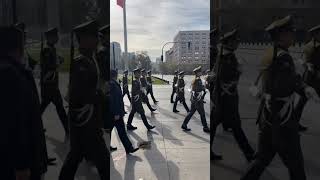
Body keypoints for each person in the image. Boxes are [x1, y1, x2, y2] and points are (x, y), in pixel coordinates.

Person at [241, 16, 319, 180]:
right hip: (282, 120)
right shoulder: (282, 57)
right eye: (290, 32)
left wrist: (304, 87)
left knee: (261, 160)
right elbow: (283, 87)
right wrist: (304, 87)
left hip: (268, 117)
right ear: (281, 35)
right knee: (296, 165)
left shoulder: (271, 52)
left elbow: (282, 81)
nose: (293, 36)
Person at [59, 20, 108, 180]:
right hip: (85, 122)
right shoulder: (81, 63)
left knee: (75, 157)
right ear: (85, 40)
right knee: (102, 161)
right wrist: (100, 96)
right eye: (94, 37)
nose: (97, 41)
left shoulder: (89, 60)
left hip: (88, 121)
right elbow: (79, 95)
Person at [0, 26, 48, 180]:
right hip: (17, 164)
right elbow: (15, 123)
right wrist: (21, 164)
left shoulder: (11, 71)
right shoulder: (9, 75)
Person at [211, 29, 255, 162]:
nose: (237, 43)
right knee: (236, 127)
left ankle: (248, 153)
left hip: (224, 99)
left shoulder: (228, 56)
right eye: (235, 41)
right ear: (229, 43)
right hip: (225, 100)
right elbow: (222, 78)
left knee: (214, 125)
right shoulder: (225, 58)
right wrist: (238, 72)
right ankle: (249, 153)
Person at [40, 28, 69, 141]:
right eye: (55, 36)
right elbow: (49, 67)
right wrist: (58, 63)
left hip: (51, 84)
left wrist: (57, 62)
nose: (57, 38)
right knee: (57, 108)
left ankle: (67, 129)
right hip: (49, 85)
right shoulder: (47, 50)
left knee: (55, 107)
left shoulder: (51, 49)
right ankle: (67, 129)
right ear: (50, 38)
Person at [294, 24, 320, 132]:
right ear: (315, 35)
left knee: (302, 102)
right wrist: (311, 67)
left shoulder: (311, 45)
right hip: (312, 79)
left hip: (313, 78)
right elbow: (304, 61)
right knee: (302, 102)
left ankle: (293, 123)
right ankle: (293, 123)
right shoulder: (312, 47)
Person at [110, 69, 139, 154]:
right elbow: (112, 100)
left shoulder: (114, 83)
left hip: (117, 113)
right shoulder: (112, 84)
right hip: (115, 114)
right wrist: (116, 113)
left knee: (121, 132)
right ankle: (129, 148)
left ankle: (129, 148)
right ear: (115, 75)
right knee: (121, 132)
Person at [181, 66, 210, 133]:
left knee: (191, 112)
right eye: (200, 71)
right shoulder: (197, 80)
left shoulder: (196, 79)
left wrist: (203, 88)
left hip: (194, 99)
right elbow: (196, 89)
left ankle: (184, 124)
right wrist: (203, 88)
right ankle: (205, 127)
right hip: (198, 100)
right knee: (202, 114)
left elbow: (195, 88)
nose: (201, 72)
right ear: (197, 73)